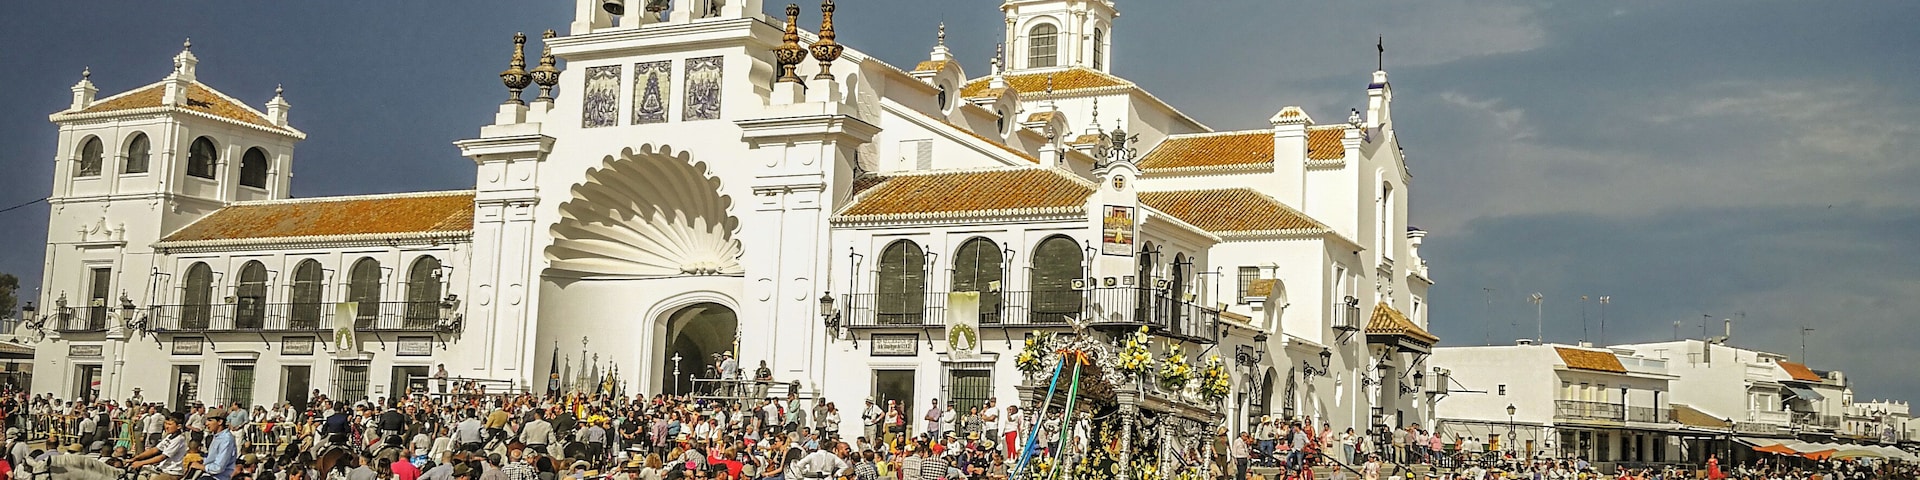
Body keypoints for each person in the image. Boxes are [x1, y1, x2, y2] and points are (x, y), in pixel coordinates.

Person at [127, 412, 189, 480]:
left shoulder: (179, 439)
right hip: (162, 468)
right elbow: (155, 450)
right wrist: (136, 458)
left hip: (172, 473)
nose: (166, 426)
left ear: (178, 426)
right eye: (166, 423)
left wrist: (141, 463)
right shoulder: (169, 436)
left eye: (170, 424)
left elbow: (162, 457)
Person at [204, 414, 238, 480]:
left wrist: (201, 467)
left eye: (210, 420)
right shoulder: (216, 437)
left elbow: (218, 467)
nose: (206, 423)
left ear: (220, 422)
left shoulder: (226, 439)